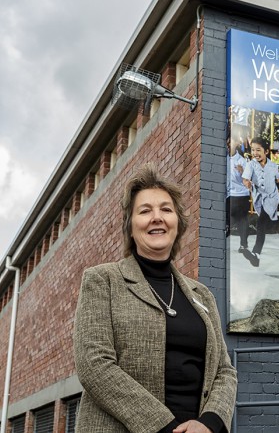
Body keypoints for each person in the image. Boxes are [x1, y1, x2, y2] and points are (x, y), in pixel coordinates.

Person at [74, 164, 237, 433]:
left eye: (166, 209)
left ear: (177, 223)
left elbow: (224, 370)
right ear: (130, 225)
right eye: (145, 211)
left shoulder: (202, 295)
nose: (157, 217)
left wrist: (210, 422)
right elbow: (94, 365)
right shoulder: (102, 280)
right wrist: (163, 426)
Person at [241, 137, 279, 267]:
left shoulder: (272, 166)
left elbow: (278, 180)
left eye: (258, 150)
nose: (255, 153)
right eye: (253, 150)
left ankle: (256, 254)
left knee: (261, 223)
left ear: (266, 151)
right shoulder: (251, 165)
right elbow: (245, 179)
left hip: (271, 198)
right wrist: (247, 184)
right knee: (269, 224)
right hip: (259, 198)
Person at [227, 130, 251, 254]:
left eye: (233, 141)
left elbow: (249, 180)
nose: (230, 143)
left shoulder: (242, 161)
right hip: (228, 194)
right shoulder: (223, 158)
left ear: (236, 143)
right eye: (229, 140)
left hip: (241, 194)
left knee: (242, 219)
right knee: (228, 219)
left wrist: (242, 172)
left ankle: (243, 245)